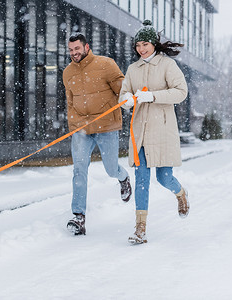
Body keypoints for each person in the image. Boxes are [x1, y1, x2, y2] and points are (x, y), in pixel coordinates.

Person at [119, 20, 190, 245]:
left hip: (162, 129)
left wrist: (154, 96)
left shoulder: (167, 65)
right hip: (139, 131)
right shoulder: (132, 69)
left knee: (163, 177)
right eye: (138, 45)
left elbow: (181, 92)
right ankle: (141, 228)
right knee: (141, 179)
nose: (141, 49)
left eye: (145, 44)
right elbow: (123, 96)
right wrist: (127, 101)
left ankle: (180, 193)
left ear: (154, 44)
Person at [62, 33, 131, 236]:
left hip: (107, 126)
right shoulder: (67, 73)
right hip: (81, 129)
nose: (74, 53)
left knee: (110, 168)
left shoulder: (106, 64)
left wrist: (128, 98)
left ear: (86, 47)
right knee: (79, 171)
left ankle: (123, 177)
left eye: (77, 49)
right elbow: (70, 101)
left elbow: (123, 89)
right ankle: (79, 217)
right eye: (71, 50)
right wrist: (75, 124)